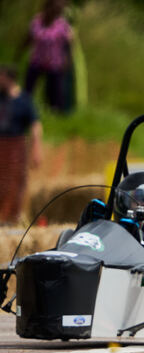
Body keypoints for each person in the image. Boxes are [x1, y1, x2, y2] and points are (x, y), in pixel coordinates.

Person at [0, 65, 42, 226]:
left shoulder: (24, 101)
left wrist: (37, 149)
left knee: (14, 183)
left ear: (9, 79)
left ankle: (9, 220)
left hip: (15, 146)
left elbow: (35, 126)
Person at [18, 0, 73, 113]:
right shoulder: (37, 21)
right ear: (47, 7)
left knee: (54, 91)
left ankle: (56, 113)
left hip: (54, 62)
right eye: (54, 8)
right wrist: (19, 53)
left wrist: (68, 59)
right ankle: (23, 109)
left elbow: (69, 44)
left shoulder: (62, 25)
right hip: (36, 60)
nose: (56, 11)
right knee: (28, 88)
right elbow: (28, 37)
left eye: (59, 9)